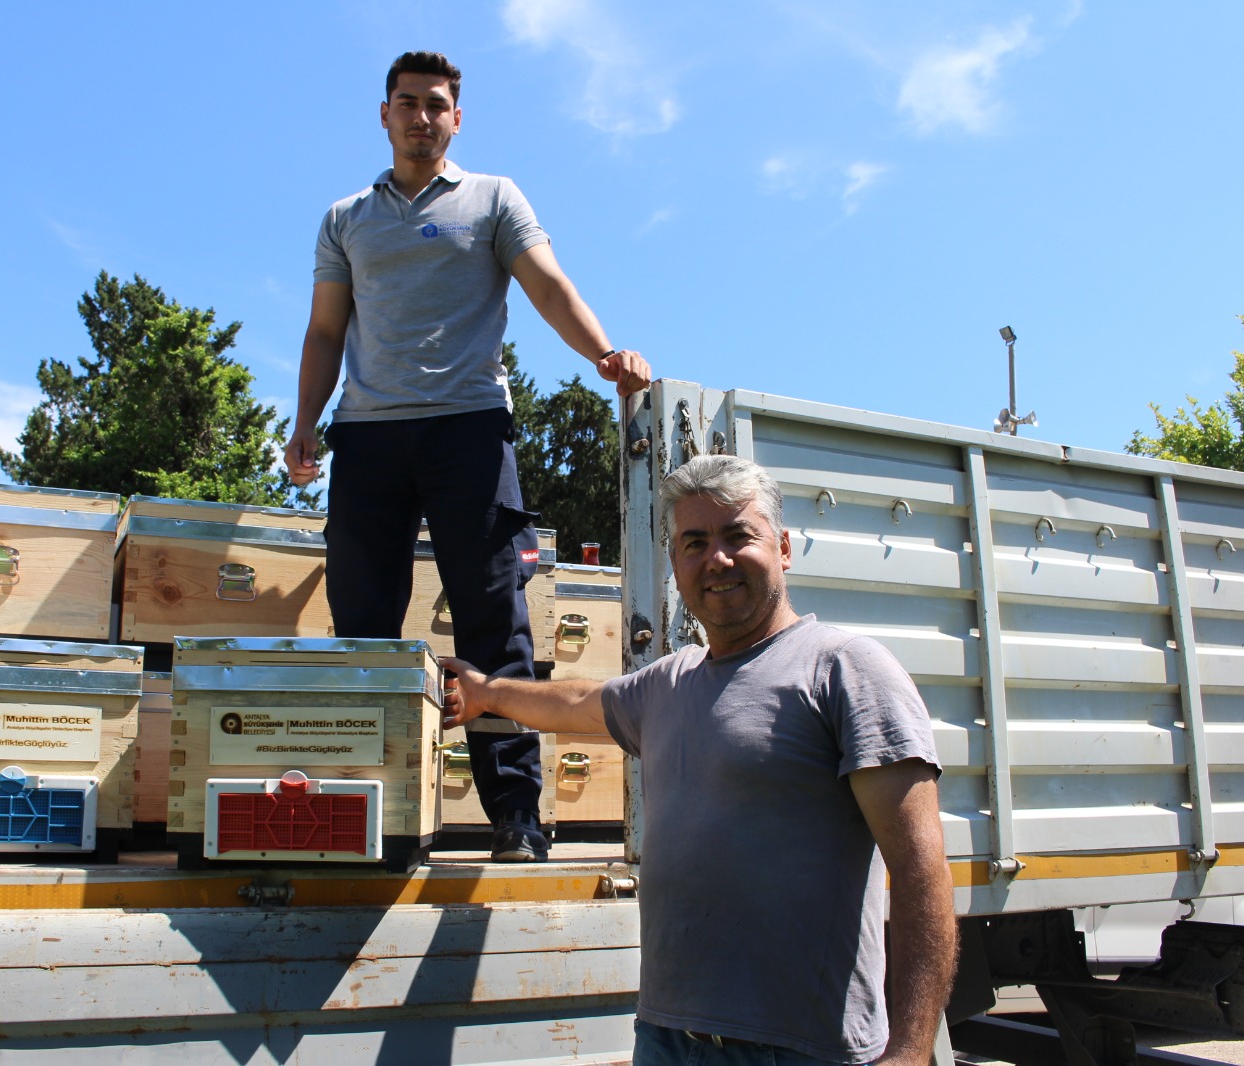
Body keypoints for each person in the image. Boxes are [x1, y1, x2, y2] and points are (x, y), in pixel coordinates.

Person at [442, 455, 958, 1064]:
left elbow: (922, 874)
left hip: (802, 1050)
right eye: (695, 542)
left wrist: (912, 1050)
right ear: (676, 564)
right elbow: (578, 700)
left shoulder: (845, 670)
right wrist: (487, 693)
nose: (717, 559)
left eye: (739, 535)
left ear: (784, 548)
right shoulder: (668, 683)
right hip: (666, 1038)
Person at [285, 50, 650, 863]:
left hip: (470, 430)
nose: (422, 116)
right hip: (369, 436)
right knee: (365, 624)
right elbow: (324, 330)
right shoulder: (347, 216)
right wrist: (305, 421)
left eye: (437, 105)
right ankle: (374, 813)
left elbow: (548, 283)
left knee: (493, 622)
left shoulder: (493, 198)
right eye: (407, 103)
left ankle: (517, 816)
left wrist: (603, 355)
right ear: (383, 115)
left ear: (458, 118)